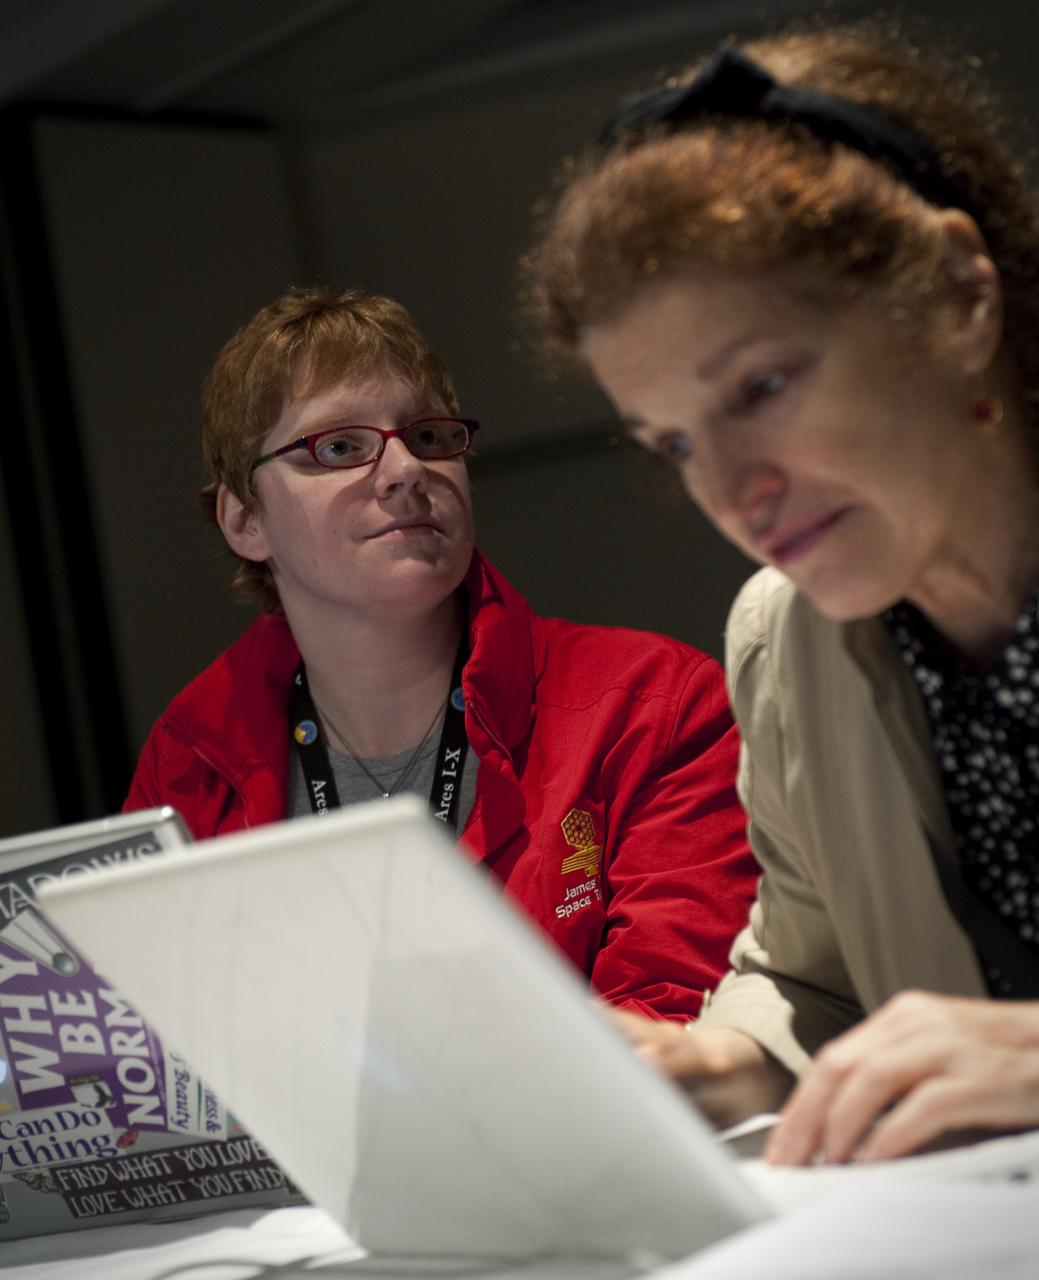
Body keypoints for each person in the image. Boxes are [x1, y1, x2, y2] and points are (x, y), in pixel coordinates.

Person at [523, 22, 1039, 1161]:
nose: (732, 491)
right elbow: (815, 974)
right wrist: (708, 1060)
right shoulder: (784, 636)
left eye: (760, 384)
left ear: (958, 295)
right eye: (672, 443)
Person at [125, 286, 758, 1020]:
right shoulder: (192, 758)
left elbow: (671, 1026)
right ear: (244, 521)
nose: (403, 471)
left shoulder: (653, 706)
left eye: (428, 437)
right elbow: (157, 1074)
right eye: (338, 447)